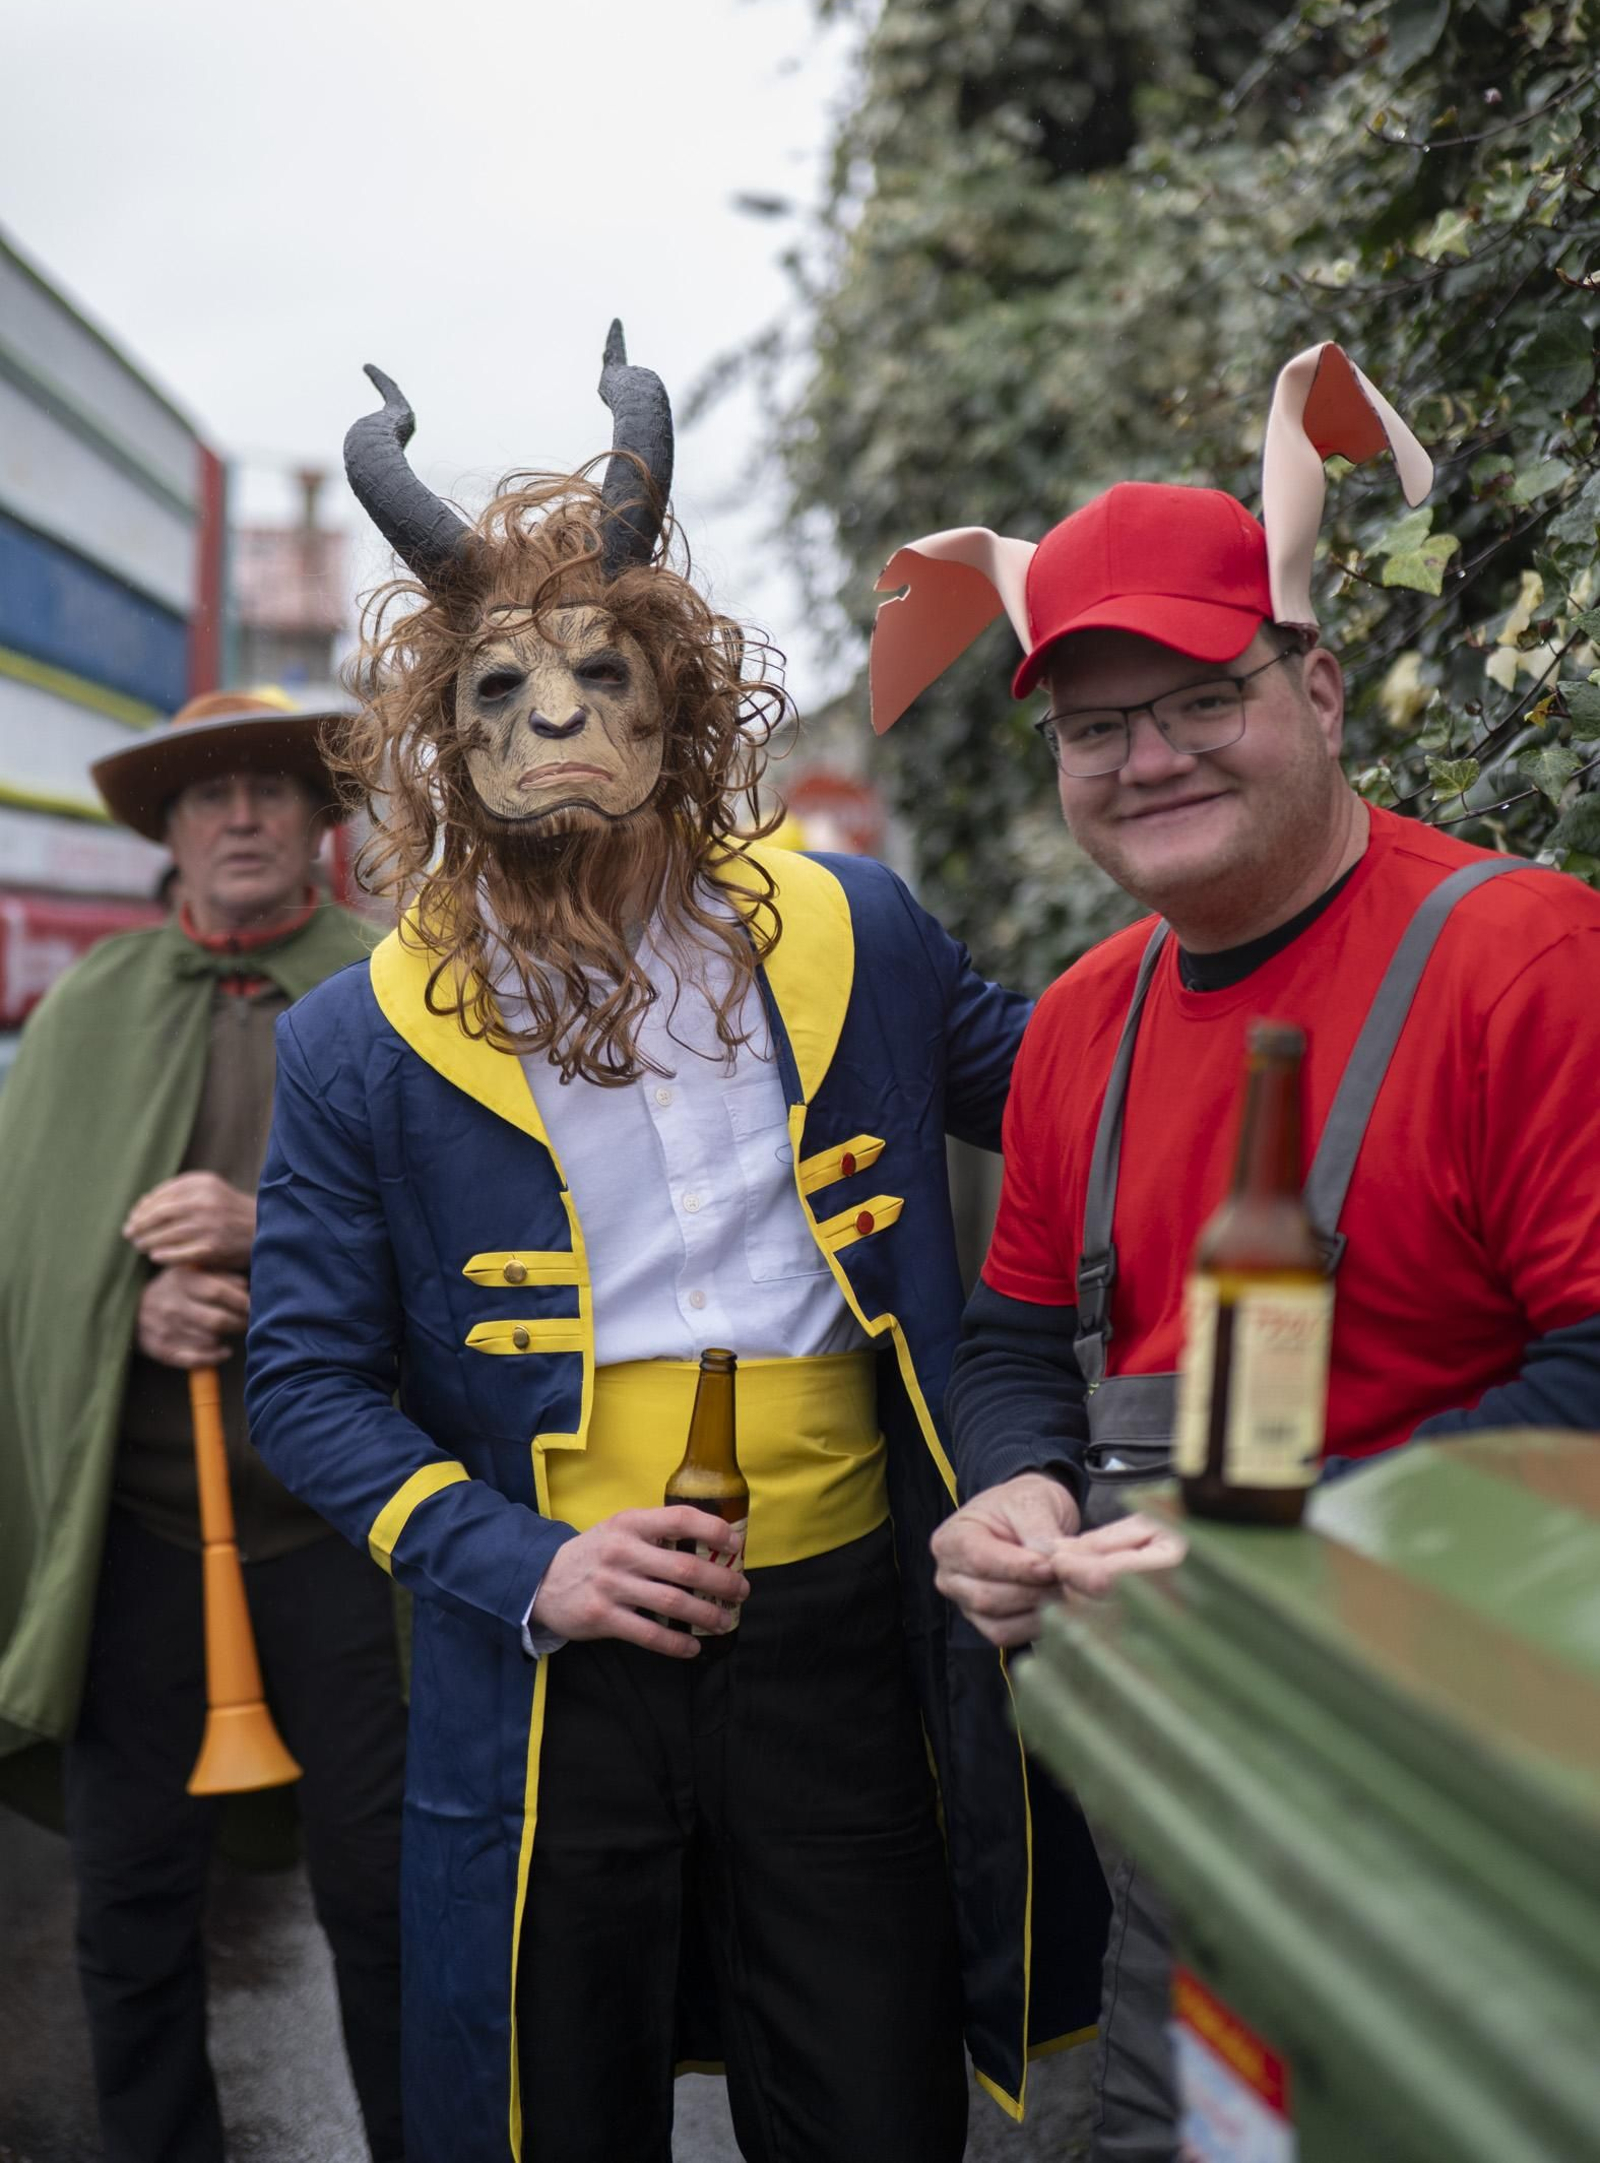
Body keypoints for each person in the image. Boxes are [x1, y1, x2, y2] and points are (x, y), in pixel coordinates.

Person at [243, 327, 1107, 2163]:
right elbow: (302, 1381)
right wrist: (516, 1564)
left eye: (597, 674)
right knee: (549, 2107)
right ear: (443, 739)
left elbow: (1091, 1101)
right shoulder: (355, 1036)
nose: (555, 722)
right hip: (546, 1663)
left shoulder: (852, 928)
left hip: (841, 1635)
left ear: (679, 699)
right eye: (499, 690)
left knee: (873, 2103)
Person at [870, 343, 1600, 2162]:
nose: (1146, 757)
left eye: (1200, 695)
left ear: (1323, 690)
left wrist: (1292, 1570)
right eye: (1094, 726)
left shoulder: (1527, 962)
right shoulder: (1078, 1029)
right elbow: (1023, 1336)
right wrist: (1017, 1490)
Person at [0, 689, 406, 2163]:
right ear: (166, 831)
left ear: (319, 823)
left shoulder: (401, 993)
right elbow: (31, 1270)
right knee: (132, 1904)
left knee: (390, 1900)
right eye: (206, 794)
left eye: (269, 789)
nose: (239, 815)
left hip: (349, 1535)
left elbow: (483, 1251)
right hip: (147, 1539)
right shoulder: (90, 1015)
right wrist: (133, 1316)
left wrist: (269, 1238)